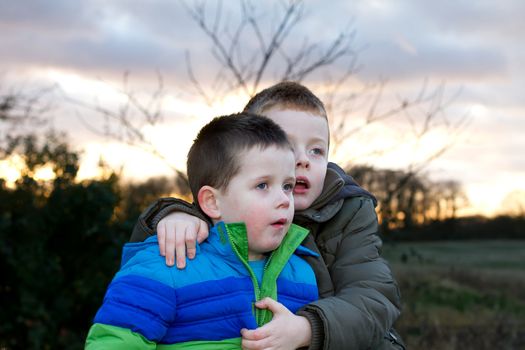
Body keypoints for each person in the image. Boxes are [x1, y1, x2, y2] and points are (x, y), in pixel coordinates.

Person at [130, 82, 406, 350]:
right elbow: (148, 272)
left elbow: (374, 297)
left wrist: (307, 329)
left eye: (317, 150)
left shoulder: (349, 212)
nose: (303, 159)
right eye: (286, 145)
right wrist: (173, 216)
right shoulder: (226, 208)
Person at [85, 113, 319, 349]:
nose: (284, 200)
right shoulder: (169, 264)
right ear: (212, 202)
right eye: (262, 185)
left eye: (288, 186)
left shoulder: (303, 273)